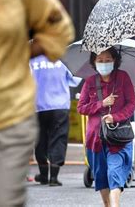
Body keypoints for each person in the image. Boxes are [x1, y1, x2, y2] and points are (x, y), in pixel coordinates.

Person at [0, 0, 74, 206]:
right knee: (53, 140)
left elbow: (60, 30)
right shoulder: (61, 65)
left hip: (11, 116)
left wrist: (17, 53)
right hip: (52, 105)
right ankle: (51, 173)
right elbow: (73, 78)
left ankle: (47, 172)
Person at [77, 47, 135, 207]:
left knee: (114, 172)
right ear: (94, 62)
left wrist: (115, 117)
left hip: (118, 137)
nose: (104, 63)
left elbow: (132, 103)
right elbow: (81, 108)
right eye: (100, 60)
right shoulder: (89, 82)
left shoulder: (123, 77)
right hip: (95, 139)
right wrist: (101, 104)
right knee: (101, 176)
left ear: (115, 60)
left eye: (108, 60)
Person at [30, 55, 81, 186]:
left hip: (38, 105)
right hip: (60, 105)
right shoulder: (63, 58)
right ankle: (53, 177)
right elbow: (75, 79)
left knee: (40, 138)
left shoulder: (32, 60)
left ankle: (43, 174)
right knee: (58, 138)